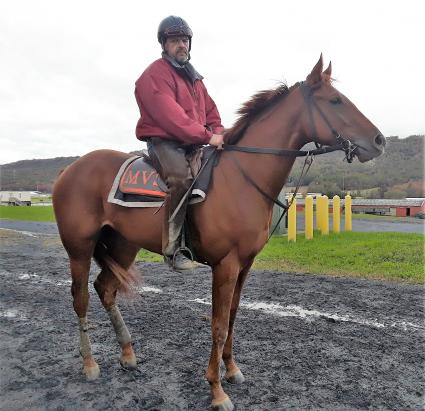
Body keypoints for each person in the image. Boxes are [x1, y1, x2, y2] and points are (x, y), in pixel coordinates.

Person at [134, 15, 224, 271]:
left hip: (192, 142)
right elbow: (172, 118)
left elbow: (212, 113)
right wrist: (208, 136)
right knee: (181, 180)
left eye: (184, 40)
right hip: (165, 141)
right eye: (175, 40)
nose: (181, 45)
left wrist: (218, 133)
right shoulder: (153, 75)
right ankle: (172, 249)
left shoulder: (194, 78)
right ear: (164, 44)